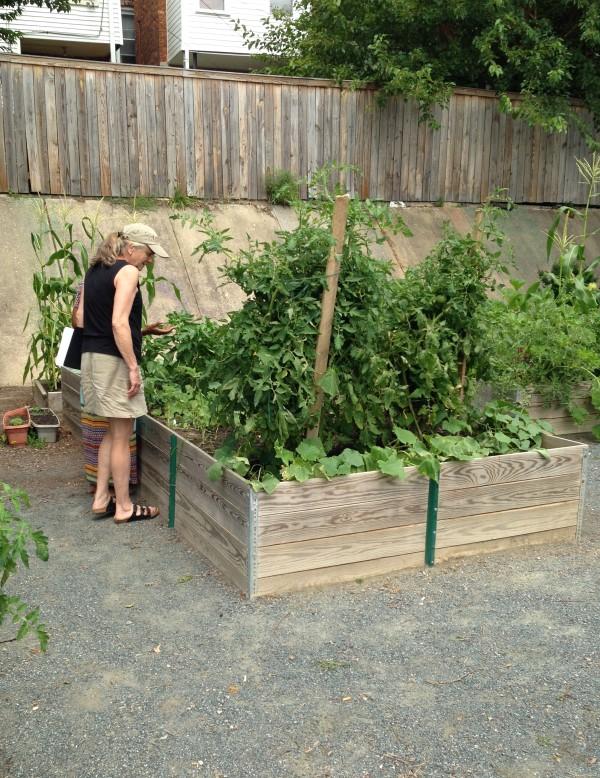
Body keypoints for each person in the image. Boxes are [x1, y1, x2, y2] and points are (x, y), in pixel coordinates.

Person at [80, 223, 169, 524]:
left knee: (111, 431)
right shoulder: (128, 272)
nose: (150, 261)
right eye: (148, 253)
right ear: (131, 249)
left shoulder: (94, 271)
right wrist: (133, 367)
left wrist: (141, 330)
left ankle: (102, 498)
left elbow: (84, 320)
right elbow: (118, 323)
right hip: (114, 361)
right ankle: (125, 507)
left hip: (92, 357)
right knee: (122, 435)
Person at [72, 283, 172, 494]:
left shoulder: (95, 283)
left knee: (105, 430)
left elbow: (110, 329)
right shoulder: (91, 286)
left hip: (95, 363)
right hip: (107, 366)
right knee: (115, 431)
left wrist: (143, 331)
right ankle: (114, 494)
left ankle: (103, 489)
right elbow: (81, 322)